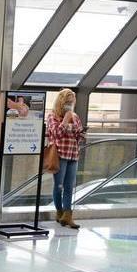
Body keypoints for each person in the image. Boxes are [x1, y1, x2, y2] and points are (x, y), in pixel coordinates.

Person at [46, 88, 86, 229]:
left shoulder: (75, 116)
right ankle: (59, 212)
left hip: (73, 155)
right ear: (61, 102)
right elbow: (56, 134)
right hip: (59, 155)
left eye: (72, 102)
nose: (70, 105)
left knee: (69, 187)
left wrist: (80, 133)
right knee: (59, 186)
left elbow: (79, 136)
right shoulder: (52, 116)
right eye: (68, 102)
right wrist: (66, 120)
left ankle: (68, 216)